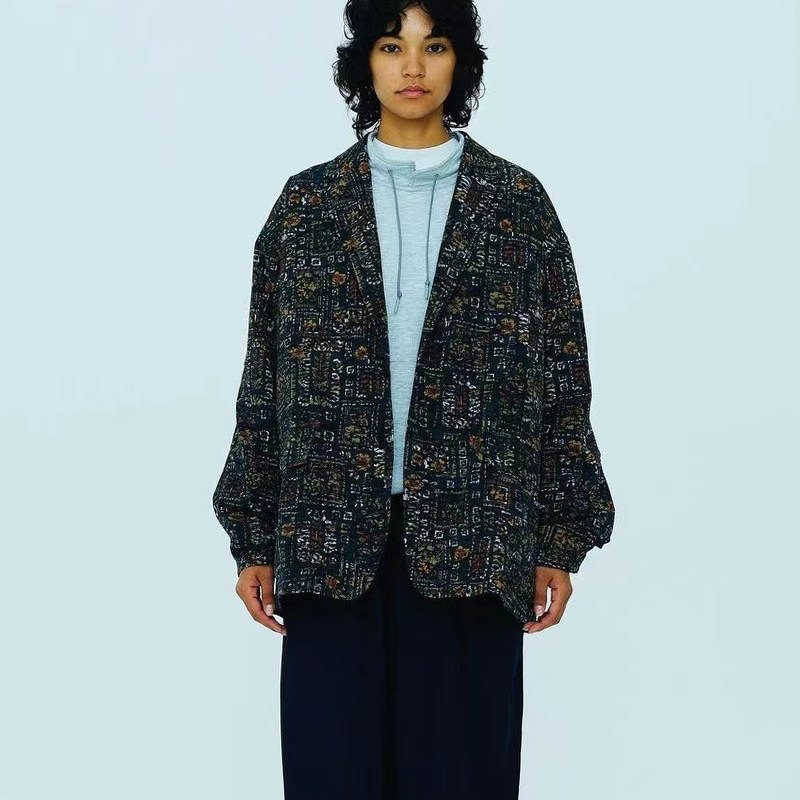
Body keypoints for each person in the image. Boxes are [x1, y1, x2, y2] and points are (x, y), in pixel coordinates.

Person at [212, 1, 616, 798]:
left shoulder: (516, 206)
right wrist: (253, 533)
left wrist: (560, 535)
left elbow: (563, 377)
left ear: (459, 63)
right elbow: (264, 378)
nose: (412, 67)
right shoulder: (308, 207)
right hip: (328, 541)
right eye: (392, 46)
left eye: (434, 47)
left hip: (477, 540)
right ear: (364, 62)